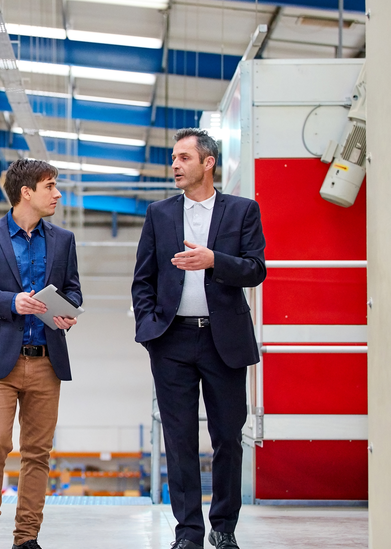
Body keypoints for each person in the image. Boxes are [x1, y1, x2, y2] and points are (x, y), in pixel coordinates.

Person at [131, 128, 266, 549]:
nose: (175, 165)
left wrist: (213, 261)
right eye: (174, 158)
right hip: (171, 340)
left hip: (224, 339)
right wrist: (149, 330)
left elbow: (256, 269)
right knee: (179, 438)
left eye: (184, 158)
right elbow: (143, 278)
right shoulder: (159, 214)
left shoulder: (243, 211)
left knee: (228, 436)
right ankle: (187, 532)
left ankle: (222, 528)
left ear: (208, 163)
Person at [0, 158, 82, 549]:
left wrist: (66, 312)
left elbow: (74, 290)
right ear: (26, 192)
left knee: (37, 452)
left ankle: (26, 537)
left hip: (46, 358)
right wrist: (12, 302)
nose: (58, 194)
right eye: (50, 186)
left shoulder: (62, 240)